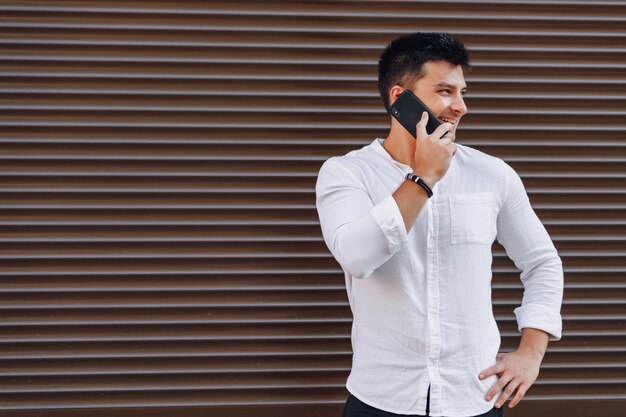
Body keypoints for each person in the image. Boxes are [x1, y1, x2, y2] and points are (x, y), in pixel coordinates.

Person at [315, 32, 564, 417]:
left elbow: (542, 263)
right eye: (445, 91)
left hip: (474, 397)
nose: (460, 107)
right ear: (401, 100)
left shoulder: (492, 174)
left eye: (463, 92)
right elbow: (357, 257)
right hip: (382, 398)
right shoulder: (347, 174)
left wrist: (530, 353)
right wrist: (423, 178)